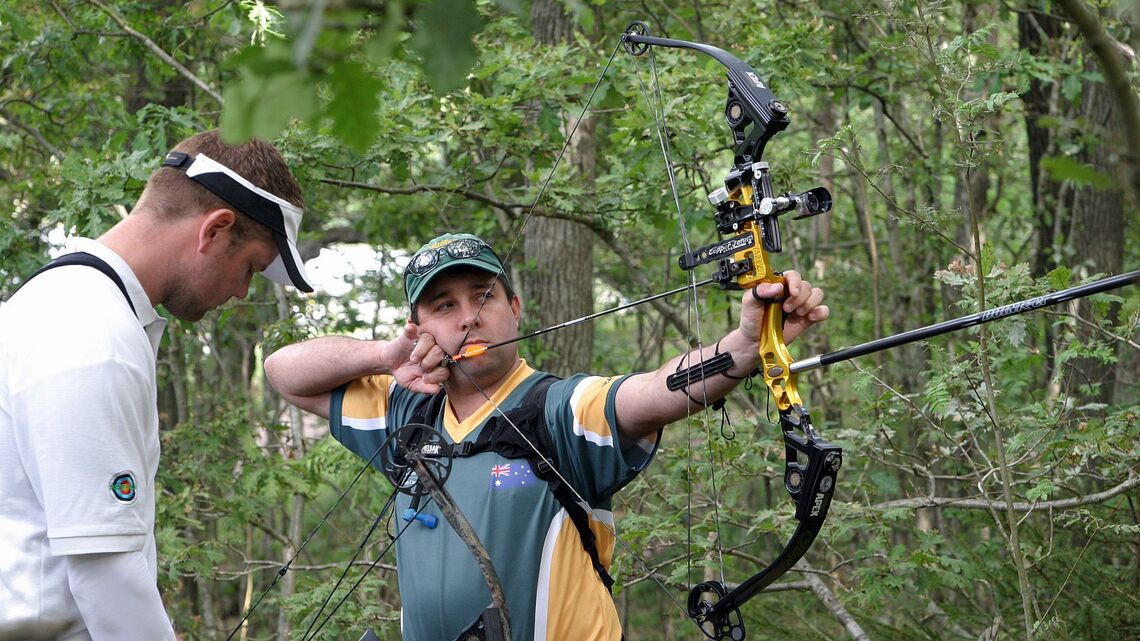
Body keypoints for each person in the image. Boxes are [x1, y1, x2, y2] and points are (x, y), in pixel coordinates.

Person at [264, 232, 828, 641]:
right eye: (444, 306)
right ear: (420, 327)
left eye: (484, 298)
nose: (467, 319)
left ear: (514, 308)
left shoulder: (556, 410)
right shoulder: (404, 413)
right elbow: (283, 372)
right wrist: (386, 356)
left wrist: (744, 348)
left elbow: (650, 393)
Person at [0, 130, 314, 641]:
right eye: (250, 268)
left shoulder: (57, 299)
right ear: (215, 230)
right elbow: (105, 574)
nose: (240, 291)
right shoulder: (91, 333)